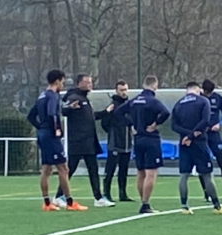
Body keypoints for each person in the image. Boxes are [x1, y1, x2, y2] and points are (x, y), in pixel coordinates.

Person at [26, 69, 87, 212]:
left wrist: (41, 128)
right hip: (51, 136)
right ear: (57, 81)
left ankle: (47, 203)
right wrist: (56, 129)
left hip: (43, 134)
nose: (63, 85)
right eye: (62, 82)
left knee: (46, 169)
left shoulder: (42, 96)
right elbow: (52, 113)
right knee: (63, 169)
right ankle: (70, 202)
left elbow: (30, 116)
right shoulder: (53, 96)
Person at [54, 74, 115, 208]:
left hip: (89, 141)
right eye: (86, 82)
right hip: (78, 141)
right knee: (71, 169)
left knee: (93, 169)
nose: (89, 84)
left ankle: (98, 198)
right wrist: (70, 108)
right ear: (79, 83)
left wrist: (106, 111)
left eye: (90, 82)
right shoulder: (74, 97)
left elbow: (91, 117)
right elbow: (64, 110)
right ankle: (58, 196)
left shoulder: (85, 99)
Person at [172, 82, 222, 215]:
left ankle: (184, 206)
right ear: (197, 89)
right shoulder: (203, 101)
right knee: (207, 174)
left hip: (184, 143)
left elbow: (174, 126)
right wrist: (192, 135)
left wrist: (186, 135)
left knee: (184, 175)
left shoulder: (178, 104)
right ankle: (217, 206)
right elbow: (205, 121)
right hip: (199, 142)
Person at [115, 75, 170, 214]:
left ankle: (143, 202)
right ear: (155, 85)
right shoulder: (153, 101)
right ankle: (145, 204)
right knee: (151, 172)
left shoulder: (134, 100)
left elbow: (118, 112)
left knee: (140, 172)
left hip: (138, 139)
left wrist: (130, 125)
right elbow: (165, 112)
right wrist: (156, 123)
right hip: (151, 139)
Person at [101, 81, 134, 202]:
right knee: (110, 169)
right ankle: (106, 193)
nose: (124, 92)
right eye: (121, 90)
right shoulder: (113, 105)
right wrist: (113, 132)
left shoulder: (129, 105)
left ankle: (123, 194)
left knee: (123, 170)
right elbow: (104, 122)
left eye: (125, 90)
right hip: (115, 143)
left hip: (127, 143)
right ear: (116, 90)